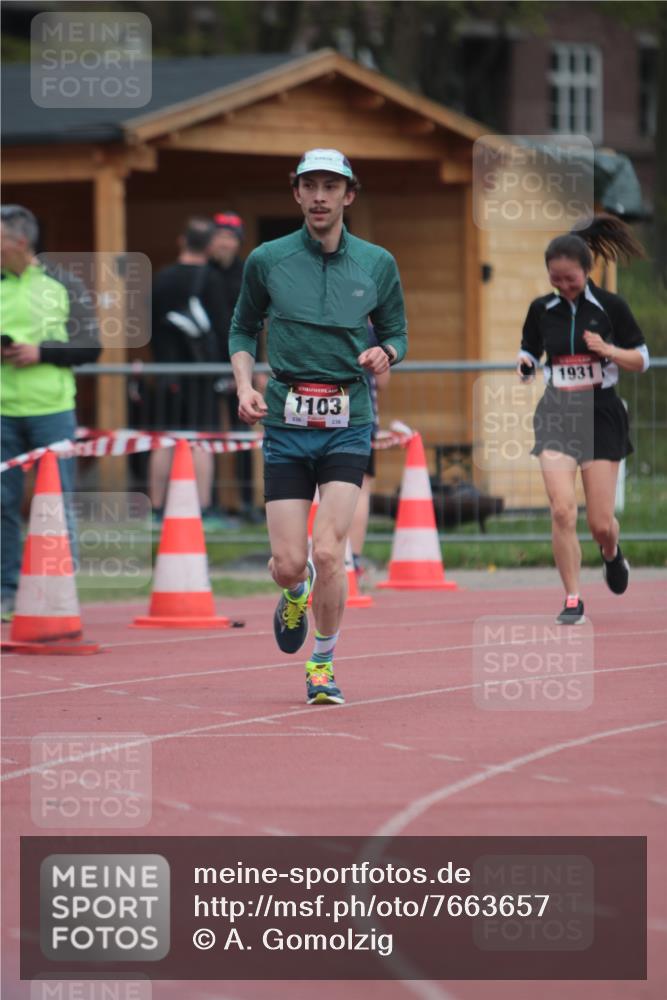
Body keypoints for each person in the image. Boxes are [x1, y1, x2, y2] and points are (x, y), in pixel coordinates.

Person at [230, 148, 407, 704]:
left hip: (347, 420)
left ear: (349, 195)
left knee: (330, 551)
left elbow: (397, 332)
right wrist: (243, 386)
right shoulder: (267, 259)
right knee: (289, 564)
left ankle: (323, 664)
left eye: (332, 186)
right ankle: (295, 591)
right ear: (297, 194)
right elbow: (240, 329)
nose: (320, 196)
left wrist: (387, 354)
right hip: (284, 421)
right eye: (311, 186)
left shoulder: (378, 263)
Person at [517, 215, 648, 625]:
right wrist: (524, 365)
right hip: (557, 411)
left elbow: (641, 360)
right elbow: (529, 351)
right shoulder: (542, 310)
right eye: (556, 280)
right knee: (561, 510)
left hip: (601, 414)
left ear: (585, 271)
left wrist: (608, 350)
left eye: (570, 278)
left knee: (599, 523)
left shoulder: (611, 307)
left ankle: (611, 553)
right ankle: (573, 597)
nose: (563, 286)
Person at [1, 204, 101, 621]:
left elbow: (92, 345)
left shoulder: (64, 283)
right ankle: (6, 594)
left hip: (53, 411)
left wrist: (40, 352)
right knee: (2, 505)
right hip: (3, 412)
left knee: (55, 506)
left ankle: (59, 593)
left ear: (19, 242)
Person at [149, 216, 222, 519]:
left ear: (182, 241)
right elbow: (221, 325)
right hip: (203, 375)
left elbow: (149, 324)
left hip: (166, 372)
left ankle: (156, 508)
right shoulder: (213, 279)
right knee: (201, 441)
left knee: (163, 439)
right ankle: (202, 509)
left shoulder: (162, 277)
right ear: (209, 246)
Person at [208, 212, 263, 524]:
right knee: (210, 435)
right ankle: (212, 501)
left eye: (229, 237)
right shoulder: (202, 273)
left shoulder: (246, 274)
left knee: (244, 433)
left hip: (242, 365)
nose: (223, 242)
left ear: (238, 242)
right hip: (206, 367)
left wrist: (260, 367)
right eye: (219, 236)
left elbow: (257, 324)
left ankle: (245, 502)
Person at [349, 324, 391, 581]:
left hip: (321, 416)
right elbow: (383, 381)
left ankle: (325, 556)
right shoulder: (370, 331)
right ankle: (352, 558)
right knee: (361, 489)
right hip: (362, 419)